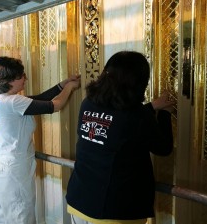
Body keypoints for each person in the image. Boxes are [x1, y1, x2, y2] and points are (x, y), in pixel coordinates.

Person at [66, 51, 175, 224]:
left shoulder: (88, 103)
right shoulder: (137, 116)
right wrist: (165, 114)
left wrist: (152, 106)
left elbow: (118, 122)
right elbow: (163, 148)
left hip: (80, 200)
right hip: (115, 210)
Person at [0, 56, 80, 224]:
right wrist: (70, 88)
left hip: (2, 167)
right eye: (22, 75)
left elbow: (39, 98)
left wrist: (63, 84)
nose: (25, 78)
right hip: (14, 169)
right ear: (10, 80)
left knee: (5, 217)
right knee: (21, 217)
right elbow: (54, 105)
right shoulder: (14, 101)